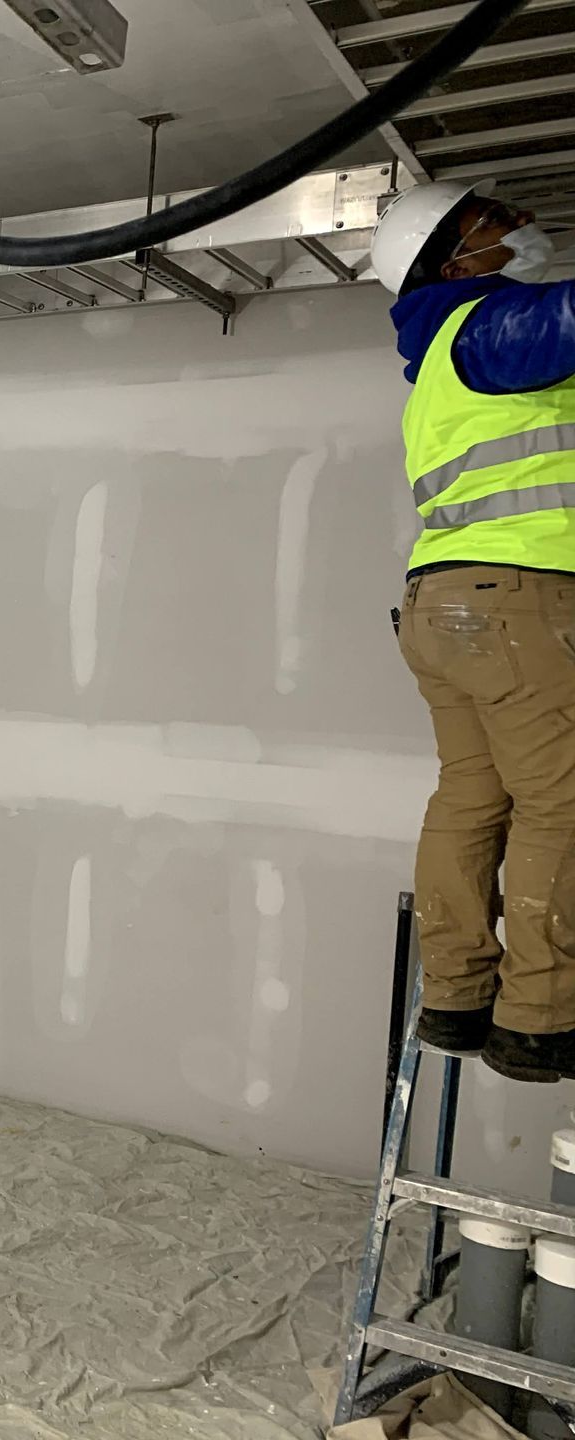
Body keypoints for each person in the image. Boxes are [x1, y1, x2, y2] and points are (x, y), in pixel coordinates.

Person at [371, 180, 575, 1081]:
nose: (526, 226)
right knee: (560, 801)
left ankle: (455, 996)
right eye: (499, 222)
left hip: (445, 607)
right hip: (520, 602)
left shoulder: (440, 361)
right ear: (452, 262)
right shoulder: (489, 326)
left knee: (471, 797)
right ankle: (541, 1016)